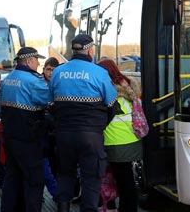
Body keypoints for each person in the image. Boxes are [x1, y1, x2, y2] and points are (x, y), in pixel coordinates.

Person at [49, 34, 118, 212]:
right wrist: (100, 125)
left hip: (64, 134)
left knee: (64, 174)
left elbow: (50, 103)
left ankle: (62, 209)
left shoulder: (58, 71)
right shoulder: (99, 72)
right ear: (90, 50)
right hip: (90, 136)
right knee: (91, 179)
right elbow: (112, 105)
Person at [0, 47, 49, 212]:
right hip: (28, 138)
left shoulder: (6, 79)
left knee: (12, 178)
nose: (38, 64)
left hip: (9, 137)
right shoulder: (33, 81)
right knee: (33, 180)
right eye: (36, 60)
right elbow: (49, 102)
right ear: (29, 61)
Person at [97, 58, 143, 212]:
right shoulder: (127, 88)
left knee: (123, 180)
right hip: (130, 139)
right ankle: (126, 207)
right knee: (126, 178)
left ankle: (127, 209)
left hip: (116, 142)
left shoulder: (110, 92)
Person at [42, 57, 59, 201]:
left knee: (55, 163)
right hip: (42, 131)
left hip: (56, 131)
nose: (51, 72)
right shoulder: (39, 84)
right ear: (44, 70)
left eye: (54, 70)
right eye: (48, 69)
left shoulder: (60, 84)